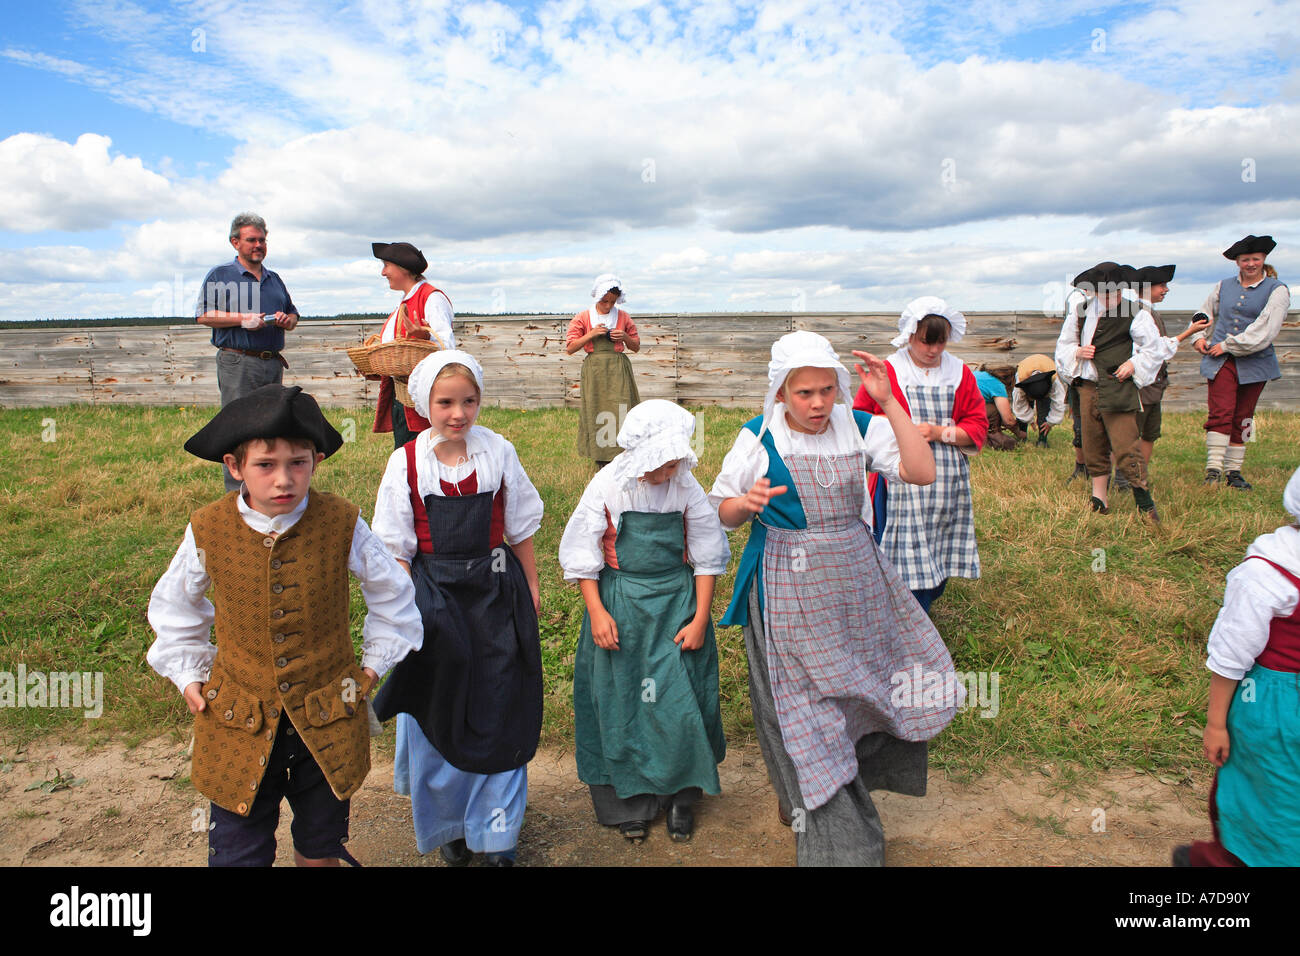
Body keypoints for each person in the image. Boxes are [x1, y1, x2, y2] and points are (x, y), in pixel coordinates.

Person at [709, 330, 959, 866]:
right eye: (804, 393)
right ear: (780, 392)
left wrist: (890, 402)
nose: (818, 403)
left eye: (826, 390)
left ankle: (813, 791)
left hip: (856, 584)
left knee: (863, 691)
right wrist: (744, 504)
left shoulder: (859, 425)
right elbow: (721, 514)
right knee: (799, 705)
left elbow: (922, 471)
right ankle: (837, 835)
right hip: (785, 585)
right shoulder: (758, 438)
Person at [145, 384, 421, 866]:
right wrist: (188, 673)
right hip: (237, 720)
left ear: (316, 460)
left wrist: (372, 669)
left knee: (320, 848)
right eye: (265, 465)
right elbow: (176, 607)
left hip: (328, 714)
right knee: (237, 854)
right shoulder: (209, 527)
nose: (284, 479)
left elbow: (393, 596)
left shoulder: (341, 522)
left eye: (298, 462)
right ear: (234, 467)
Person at [370, 350, 544, 867]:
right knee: (441, 705)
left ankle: (497, 832)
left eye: (469, 402)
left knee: (499, 702)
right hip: (434, 597)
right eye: (445, 402)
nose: (458, 414)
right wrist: (407, 613)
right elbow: (396, 550)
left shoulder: (498, 451)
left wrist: (530, 585)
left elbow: (521, 526)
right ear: (425, 403)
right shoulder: (406, 461)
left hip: (494, 593)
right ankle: (451, 824)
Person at [559, 400, 729, 843]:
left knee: (680, 696)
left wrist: (700, 618)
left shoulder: (685, 486)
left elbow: (708, 555)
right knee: (622, 700)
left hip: (677, 603)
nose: (672, 470)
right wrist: (597, 612)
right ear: (643, 456)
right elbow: (583, 556)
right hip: (622, 604)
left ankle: (680, 797)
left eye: (677, 461)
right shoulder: (609, 485)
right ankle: (627, 803)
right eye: (665, 462)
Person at [1175, 465, 1300, 867]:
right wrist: (1215, 723)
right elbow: (1232, 652)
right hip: (1275, 708)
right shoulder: (1269, 572)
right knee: (1268, 793)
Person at [854, 297, 987, 613]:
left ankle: (925, 599)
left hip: (945, 480)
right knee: (896, 549)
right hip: (899, 478)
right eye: (926, 342)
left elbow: (978, 425)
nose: (933, 351)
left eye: (939, 343)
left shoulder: (959, 373)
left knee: (937, 542)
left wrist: (938, 432)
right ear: (909, 335)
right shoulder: (888, 370)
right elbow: (860, 419)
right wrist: (901, 427)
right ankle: (904, 614)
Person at [1053, 262, 1168, 520]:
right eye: (1106, 293)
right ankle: (1099, 498)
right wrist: (1077, 353)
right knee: (1092, 442)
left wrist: (1133, 364)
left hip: (1118, 387)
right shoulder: (1080, 311)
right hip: (1088, 387)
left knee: (1125, 443)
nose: (1111, 298)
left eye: (1116, 292)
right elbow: (1065, 345)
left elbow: (1152, 349)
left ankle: (1143, 500)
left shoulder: (1135, 312)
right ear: (1094, 291)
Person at [196, 213, 300, 492]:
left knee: (270, 425)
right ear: (235, 242)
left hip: (271, 363)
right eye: (251, 240)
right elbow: (204, 315)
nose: (258, 245)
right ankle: (237, 494)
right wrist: (241, 319)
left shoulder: (274, 278)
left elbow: (293, 315)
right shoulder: (221, 275)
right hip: (238, 361)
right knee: (239, 426)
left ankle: (264, 486)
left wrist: (286, 320)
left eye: (262, 240)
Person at [1190, 236, 1290, 490]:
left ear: (1264, 260)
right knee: (1221, 412)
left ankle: (1234, 470)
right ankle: (1213, 468)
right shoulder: (1223, 286)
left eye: (1255, 259)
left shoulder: (1277, 290)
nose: (1251, 264)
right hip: (1221, 361)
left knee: (1245, 417)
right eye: (1245, 259)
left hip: (1255, 362)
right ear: (1237, 262)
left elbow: (1265, 329)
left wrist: (1227, 344)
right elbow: (1203, 313)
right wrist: (1199, 338)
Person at [1111, 265, 1210, 490]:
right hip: (1142, 384)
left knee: (1149, 432)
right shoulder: (1140, 314)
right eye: (1162, 286)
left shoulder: (1145, 311)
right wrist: (1189, 332)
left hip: (1153, 384)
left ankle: (1138, 476)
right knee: (1132, 434)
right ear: (1146, 288)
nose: (1166, 290)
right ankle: (1125, 477)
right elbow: (1156, 350)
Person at [369, 241, 456, 449]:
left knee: (426, 453)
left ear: (403, 268)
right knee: (406, 455)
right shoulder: (405, 302)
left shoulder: (431, 298)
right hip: (402, 397)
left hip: (422, 399)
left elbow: (447, 347)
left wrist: (424, 338)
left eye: (386, 265)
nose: (383, 273)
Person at [566, 274, 641, 466]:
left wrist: (624, 336)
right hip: (595, 371)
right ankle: (601, 460)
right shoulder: (583, 317)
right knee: (597, 410)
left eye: (612, 302)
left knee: (621, 409)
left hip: (618, 369)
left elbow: (636, 346)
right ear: (597, 296)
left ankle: (624, 455)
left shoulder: (623, 317)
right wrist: (591, 334)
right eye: (604, 301)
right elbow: (570, 347)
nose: (608, 305)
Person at [1011, 354, 1066, 448]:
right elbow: (1019, 405)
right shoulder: (1021, 378)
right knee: (1024, 411)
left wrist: (1050, 422)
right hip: (1027, 381)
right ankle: (1022, 436)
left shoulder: (1054, 380)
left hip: (1045, 383)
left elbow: (1059, 402)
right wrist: (1029, 419)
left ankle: (1042, 440)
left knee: (1044, 409)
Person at [972, 365, 1018, 450]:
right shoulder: (998, 385)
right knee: (995, 410)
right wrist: (1018, 432)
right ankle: (990, 437)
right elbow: (1008, 420)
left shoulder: (978, 374)